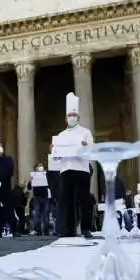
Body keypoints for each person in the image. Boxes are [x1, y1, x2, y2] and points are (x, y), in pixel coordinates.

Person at [53, 92, 94, 238]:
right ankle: (68, 229)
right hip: (66, 170)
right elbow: (56, 157)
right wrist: (55, 151)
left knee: (84, 200)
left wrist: (85, 146)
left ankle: (86, 228)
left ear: (78, 118)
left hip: (82, 169)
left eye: (74, 115)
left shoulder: (85, 132)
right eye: (69, 115)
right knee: (66, 201)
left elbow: (92, 150)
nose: (72, 117)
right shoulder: (61, 135)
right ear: (65, 118)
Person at [27, 162, 51, 235]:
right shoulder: (33, 176)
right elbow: (29, 187)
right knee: (37, 214)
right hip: (36, 197)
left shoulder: (46, 175)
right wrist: (31, 180)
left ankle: (46, 231)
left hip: (45, 197)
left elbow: (50, 185)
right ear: (35, 168)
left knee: (46, 214)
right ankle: (38, 231)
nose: (40, 167)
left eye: (41, 166)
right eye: (38, 166)